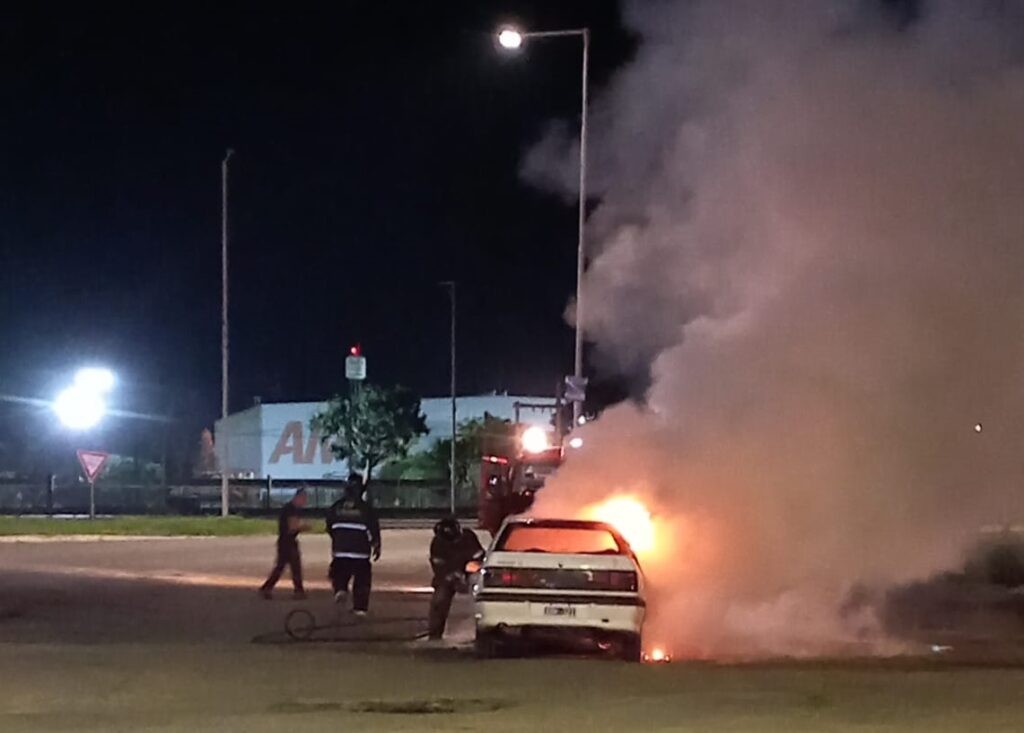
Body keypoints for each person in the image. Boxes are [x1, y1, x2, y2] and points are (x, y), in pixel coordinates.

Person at [326, 475, 380, 615]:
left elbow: (329, 527)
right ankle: (360, 608)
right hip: (360, 551)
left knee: (339, 573)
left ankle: (340, 589)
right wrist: (376, 545)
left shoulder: (336, 507)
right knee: (362, 579)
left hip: (340, 550)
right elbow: (373, 529)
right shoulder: (366, 509)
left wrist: (338, 540)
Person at [427, 516, 484, 640]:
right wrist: (452, 575)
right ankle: (435, 633)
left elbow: (478, 558)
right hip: (448, 575)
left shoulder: (469, 537)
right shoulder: (438, 543)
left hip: (469, 573)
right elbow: (438, 567)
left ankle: (483, 629)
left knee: (481, 589)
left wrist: (465, 571)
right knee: (440, 598)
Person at [259, 487, 311, 599]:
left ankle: (267, 588)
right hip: (288, 542)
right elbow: (292, 527)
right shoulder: (292, 509)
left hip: (285, 541)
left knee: (282, 566)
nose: (304, 502)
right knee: (293, 567)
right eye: (304, 499)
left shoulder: (290, 508)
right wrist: (304, 527)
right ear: (298, 497)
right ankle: (298, 591)